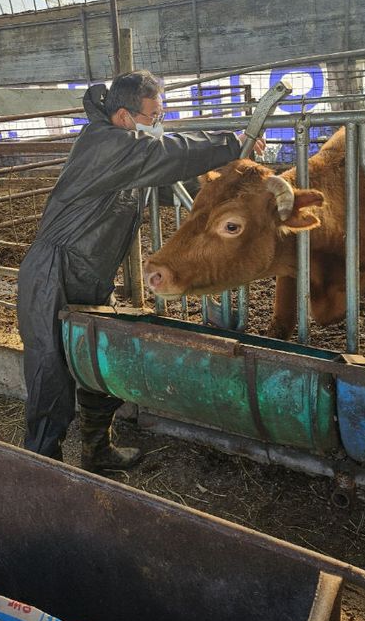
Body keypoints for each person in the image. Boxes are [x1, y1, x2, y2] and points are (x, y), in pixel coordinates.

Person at [17, 70, 265, 472]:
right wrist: (231, 142)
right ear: (122, 116)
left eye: (160, 112)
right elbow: (167, 154)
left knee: (101, 360)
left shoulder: (126, 155)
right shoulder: (103, 142)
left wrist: (220, 180)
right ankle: (41, 469)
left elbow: (168, 179)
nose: (158, 121)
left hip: (90, 273)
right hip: (53, 272)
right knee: (51, 372)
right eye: (153, 114)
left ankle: (97, 450)